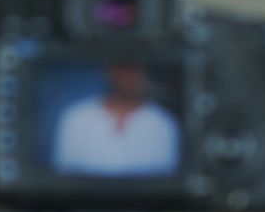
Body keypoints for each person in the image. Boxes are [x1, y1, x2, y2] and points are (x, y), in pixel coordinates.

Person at [50, 62, 180, 176]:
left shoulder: (163, 123)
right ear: (109, 71)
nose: (127, 76)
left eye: (134, 69)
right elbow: (63, 175)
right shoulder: (76, 117)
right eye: (122, 68)